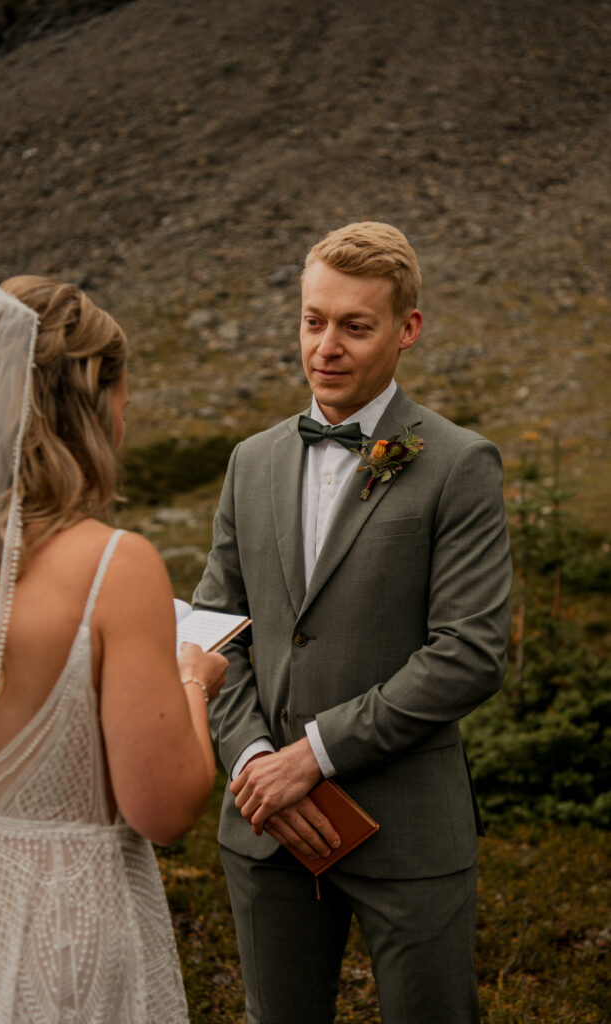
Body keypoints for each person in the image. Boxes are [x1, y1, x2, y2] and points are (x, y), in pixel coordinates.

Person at [193, 222, 512, 1023]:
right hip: (264, 826)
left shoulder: (459, 463)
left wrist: (317, 754)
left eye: (354, 326)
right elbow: (215, 632)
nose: (326, 346)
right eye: (313, 320)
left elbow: (471, 652)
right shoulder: (251, 461)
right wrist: (257, 760)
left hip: (406, 829)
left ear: (408, 330)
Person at [0, 276, 227, 1023]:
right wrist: (194, 681)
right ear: (94, 405)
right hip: (62, 928)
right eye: (124, 397)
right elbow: (163, 807)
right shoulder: (112, 567)